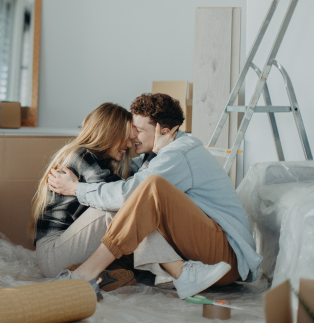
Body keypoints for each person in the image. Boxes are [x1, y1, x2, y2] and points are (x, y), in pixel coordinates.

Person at [48, 93, 262, 300]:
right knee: (145, 201)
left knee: (152, 187)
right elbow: (130, 180)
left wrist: (76, 189)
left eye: (138, 130)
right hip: (212, 253)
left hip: (225, 258)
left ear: (164, 131)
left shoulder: (178, 154)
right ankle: (174, 272)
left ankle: (86, 273)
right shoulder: (162, 156)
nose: (132, 137)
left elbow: (127, 194)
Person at [29, 102, 178, 295]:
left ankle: (103, 274)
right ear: (109, 133)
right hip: (54, 253)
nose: (128, 144)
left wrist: (154, 153)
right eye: (125, 138)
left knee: (131, 213)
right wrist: (158, 153)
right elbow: (122, 196)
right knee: (115, 208)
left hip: (77, 247)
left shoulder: (105, 163)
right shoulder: (80, 156)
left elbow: (137, 181)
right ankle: (172, 270)